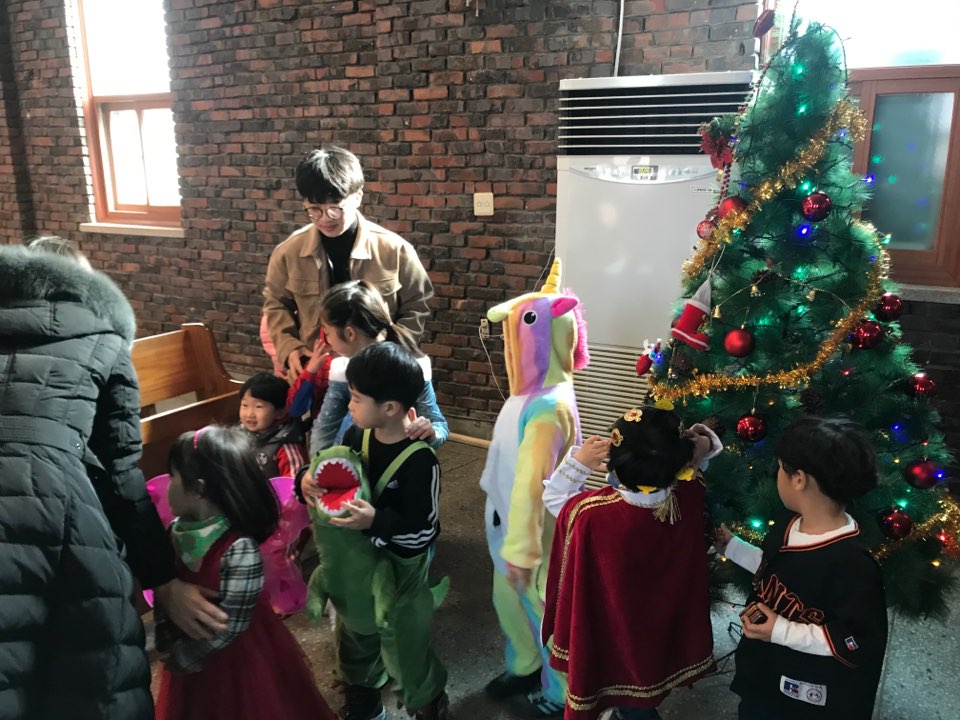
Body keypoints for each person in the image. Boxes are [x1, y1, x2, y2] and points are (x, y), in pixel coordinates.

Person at [0, 239, 225, 720]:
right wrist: (163, 580)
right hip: (55, 510)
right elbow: (120, 474)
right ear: (83, 285)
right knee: (91, 679)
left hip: (43, 499)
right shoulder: (101, 338)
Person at [539, 405, 722, 720]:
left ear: (615, 462)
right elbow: (704, 452)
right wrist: (698, 443)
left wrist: (578, 462)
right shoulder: (690, 493)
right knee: (645, 683)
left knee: (630, 698)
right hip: (659, 626)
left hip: (613, 630)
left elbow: (554, 498)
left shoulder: (591, 514)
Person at [299, 342, 449, 720]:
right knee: (355, 632)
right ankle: (363, 698)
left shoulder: (421, 461)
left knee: (402, 639)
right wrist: (307, 479)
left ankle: (426, 698)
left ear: (390, 408)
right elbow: (335, 471)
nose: (349, 406)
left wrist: (376, 522)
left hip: (402, 566)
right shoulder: (357, 436)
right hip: (360, 559)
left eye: (355, 398)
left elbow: (424, 529)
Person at [154, 426, 337, 720]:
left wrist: (188, 655)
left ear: (199, 489)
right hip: (191, 656)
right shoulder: (176, 532)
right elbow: (165, 587)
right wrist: (167, 639)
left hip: (238, 659)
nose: (166, 486)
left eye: (172, 476)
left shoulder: (238, 548)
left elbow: (234, 622)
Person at [715, 416, 888, 720]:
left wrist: (782, 631)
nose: (777, 476)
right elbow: (777, 569)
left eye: (780, 468)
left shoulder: (852, 564)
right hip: (764, 671)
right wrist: (732, 547)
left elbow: (859, 639)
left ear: (799, 479)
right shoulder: (790, 522)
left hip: (803, 694)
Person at [263, 145, 433, 379]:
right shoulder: (288, 253)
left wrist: (393, 352)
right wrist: (290, 347)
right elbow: (275, 304)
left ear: (358, 197)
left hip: (378, 373)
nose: (325, 219)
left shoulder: (395, 250)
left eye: (335, 208)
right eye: (314, 210)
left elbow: (417, 305)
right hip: (315, 371)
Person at [306, 279, 448, 455]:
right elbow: (326, 426)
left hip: (401, 462)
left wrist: (430, 432)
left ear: (349, 333)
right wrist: (318, 465)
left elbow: (438, 424)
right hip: (352, 464)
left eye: (327, 333)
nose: (326, 341)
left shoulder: (408, 367)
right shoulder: (341, 370)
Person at [237, 372, 307, 478]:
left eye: (259, 406)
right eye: (245, 405)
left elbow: (293, 484)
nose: (249, 414)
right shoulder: (239, 433)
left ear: (280, 412)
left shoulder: (286, 447)